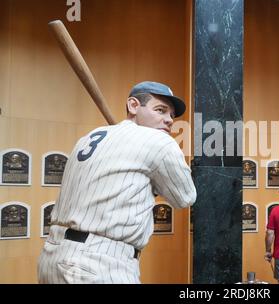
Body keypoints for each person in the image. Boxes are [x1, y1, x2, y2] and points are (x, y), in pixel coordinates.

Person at [38, 81, 197, 284]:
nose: (169, 120)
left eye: (172, 115)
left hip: (52, 257)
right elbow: (185, 197)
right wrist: (156, 184)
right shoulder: (159, 141)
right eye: (160, 110)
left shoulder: (88, 138)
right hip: (99, 263)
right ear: (133, 106)